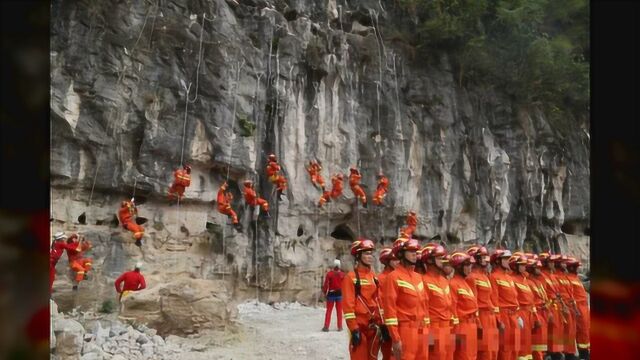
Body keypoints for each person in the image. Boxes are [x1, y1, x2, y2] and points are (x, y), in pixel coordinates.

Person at [382, 237, 426, 360]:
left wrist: (429, 335)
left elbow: (425, 305)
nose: (414, 254)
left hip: (423, 330)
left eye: (416, 252)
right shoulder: (393, 277)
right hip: (406, 330)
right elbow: (390, 311)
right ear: (401, 254)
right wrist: (395, 339)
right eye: (411, 251)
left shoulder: (419, 277)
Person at [342, 239, 384, 359]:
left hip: (373, 328)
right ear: (358, 256)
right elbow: (348, 308)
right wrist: (354, 329)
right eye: (366, 253)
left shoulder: (374, 277)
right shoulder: (351, 278)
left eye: (370, 253)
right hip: (359, 328)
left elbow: (379, 302)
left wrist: (382, 324)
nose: (370, 256)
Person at [466, 245, 499, 360]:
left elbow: (490, 298)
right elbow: (473, 301)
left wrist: (496, 318)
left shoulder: (485, 277)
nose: (485, 259)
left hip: (490, 317)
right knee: (485, 352)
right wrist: (478, 322)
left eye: (485, 256)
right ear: (475, 259)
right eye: (482, 257)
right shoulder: (472, 277)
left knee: (493, 350)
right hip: (482, 316)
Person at [422, 243, 454, 360]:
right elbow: (423, 309)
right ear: (429, 260)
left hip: (447, 328)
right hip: (434, 328)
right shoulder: (423, 280)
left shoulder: (444, 281)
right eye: (439, 258)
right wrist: (428, 337)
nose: (442, 260)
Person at [489, 249, 522, 360]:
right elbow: (494, 300)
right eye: (505, 259)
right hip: (504, 316)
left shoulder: (509, 278)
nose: (508, 261)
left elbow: (514, 298)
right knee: (505, 350)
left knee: (515, 348)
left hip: (513, 316)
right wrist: (499, 320)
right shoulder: (493, 277)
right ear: (498, 261)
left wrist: (517, 316)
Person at [449, 252, 479, 360]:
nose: (469, 268)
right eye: (466, 265)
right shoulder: (453, 284)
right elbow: (452, 310)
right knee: (463, 356)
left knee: (472, 356)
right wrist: (455, 332)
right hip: (462, 327)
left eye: (470, 265)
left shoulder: (466, 283)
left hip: (471, 326)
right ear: (458, 267)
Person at [538, 252, 566, 359]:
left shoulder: (552, 276)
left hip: (556, 306)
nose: (553, 264)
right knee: (549, 332)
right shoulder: (542, 276)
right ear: (545, 263)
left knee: (558, 331)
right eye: (550, 262)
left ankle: (557, 352)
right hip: (549, 307)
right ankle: (550, 353)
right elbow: (543, 293)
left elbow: (558, 292)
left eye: (553, 262)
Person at [509, 253, 535, 360]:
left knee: (528, 344)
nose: (525, 267)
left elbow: (531, 300)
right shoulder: (513, 280)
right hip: (521, 313)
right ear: (515, 266)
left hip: (528, 314)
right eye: (522, 264)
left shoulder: (525, 280)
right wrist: (518, 315)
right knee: (521, 345)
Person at [565, 257, 590, 360]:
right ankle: (583, 354)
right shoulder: (569, 279)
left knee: (586, 330)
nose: (578, 269)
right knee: (581, 331)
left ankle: (585, 352)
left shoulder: (575, 278)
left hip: (584, 307)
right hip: (578, 307)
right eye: (576, 267)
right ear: (571, 268)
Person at [526, 255, 550, 360]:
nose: (539, 270)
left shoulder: (539, 282)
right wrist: (536, 317)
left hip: (543, 313)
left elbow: (544, 298)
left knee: (542, 343)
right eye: (536, 268)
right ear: (531, 268)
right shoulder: (529, 283)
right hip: (536, 313)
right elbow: (531, 302)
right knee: (537, 344)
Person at [378, 247, 400, 360]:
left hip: (399, 320)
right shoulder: (382, 278)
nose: (398, 262)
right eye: (394, 260)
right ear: (387, 261)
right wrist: (384, 324)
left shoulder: (398, 276)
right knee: (388, 353)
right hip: (388, 322)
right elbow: (381, 302)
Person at [554, 255, 578, 360]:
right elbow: (558, 294)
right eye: (563, 262)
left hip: (570, 306)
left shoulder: (565, 276)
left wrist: (574, 307)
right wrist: (563, 305)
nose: (565, 264)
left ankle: (570, 352)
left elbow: (570, 293)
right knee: (565, 331)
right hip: (563, 307)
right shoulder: (556, 277)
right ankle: (566, 353)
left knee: (571, 331)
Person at [322, 259, 345, 332]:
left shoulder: (329, 274)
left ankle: (326, 326)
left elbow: (326, 285)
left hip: (331, 294)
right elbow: (345, 285)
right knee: (339, 312)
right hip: (339, 294)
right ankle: (340, 326)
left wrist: (325, 293)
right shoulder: (342, 274)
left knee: (329, 311)